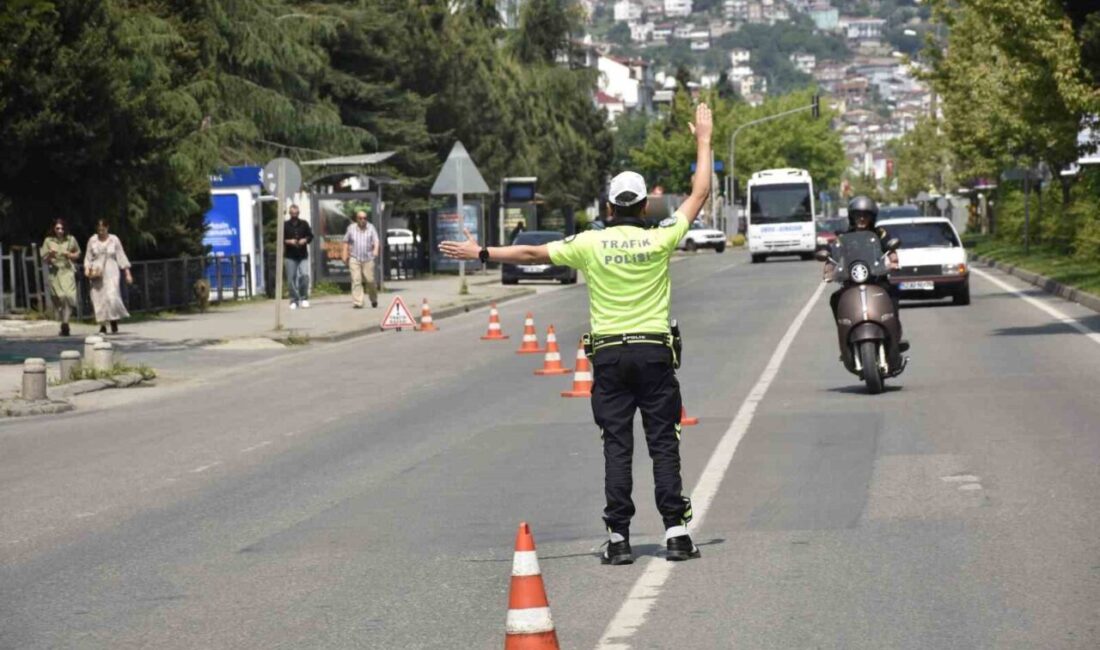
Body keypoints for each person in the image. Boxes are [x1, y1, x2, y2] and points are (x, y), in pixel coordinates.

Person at [441, 103, 714, 566]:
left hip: (608, 357)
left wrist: (482, 250)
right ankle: (676, 532)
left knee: (617, 445)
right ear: (645, 206)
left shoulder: (589, 242)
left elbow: (531, 252)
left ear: (609, 207)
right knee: (663, 441)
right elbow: (701, 191)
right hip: (654, 354)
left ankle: (620, 539)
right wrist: (703, 140)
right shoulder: (659, 237)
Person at [824, 196, 904, 340]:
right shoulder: (843, 236)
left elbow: (890, 249)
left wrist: (894, 261)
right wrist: (828, 271)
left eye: (865, 215)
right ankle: (845, 332)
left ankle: (895, 335)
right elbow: (832, 257)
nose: (861, 218)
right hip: (851, 281)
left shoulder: (880, 233)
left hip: (877, 280)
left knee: (892, 295)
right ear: (851, 217)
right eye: (857, 215)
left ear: (872, 217)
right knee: (835, 298)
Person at [84, 219, 133, 335]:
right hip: (97, 270)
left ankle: (113, 319)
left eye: (103, 229)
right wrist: (87, 269)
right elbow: (87, 257)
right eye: (99, 229)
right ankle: (102, 325)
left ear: (107, 228)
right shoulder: (92, 240)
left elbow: (121, 256)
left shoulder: (114, 239)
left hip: (112, 270)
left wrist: (127, 272)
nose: (101, 232)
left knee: (112, 296)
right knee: (99, 298)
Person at [42, 218, 81, 336]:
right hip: (55, 272)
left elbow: (78, 253)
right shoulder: (48, 241)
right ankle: (63, 318)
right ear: (54, 229)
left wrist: (70, 254)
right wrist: (50, 254)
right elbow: (44, 259)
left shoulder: (71, 239)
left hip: (67, 271)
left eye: (62, 228)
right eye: (58, 228)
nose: (60, 231)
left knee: (68, 296)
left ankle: (65, 324)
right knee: (58, 297)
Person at [342, 210, 380, 308]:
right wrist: (344, 254)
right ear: (356, 219)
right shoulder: (351, 228)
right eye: (360, 218)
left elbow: (376, 240)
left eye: (365, 218)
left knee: (370, 280)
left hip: (368, 258)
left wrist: (375, 250)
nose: (363, 220)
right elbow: (346, 242)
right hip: (355, 258)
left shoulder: (371, 228)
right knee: (356, 280)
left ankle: (373, 299)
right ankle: (358, 302)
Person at [283, 204, 314, 309]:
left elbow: (310, 236)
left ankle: (304, 297)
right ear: (290, 213)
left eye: (296, 213)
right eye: (292, 213)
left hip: (302, 254)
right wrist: (289, 241)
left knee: (304, 275)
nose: (294, 215)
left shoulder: (304, 224)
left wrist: (305, 240)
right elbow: (281, 239)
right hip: (290, 255)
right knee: (291, 278)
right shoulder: (285, 225)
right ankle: (293, 300)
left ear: (298, 213)